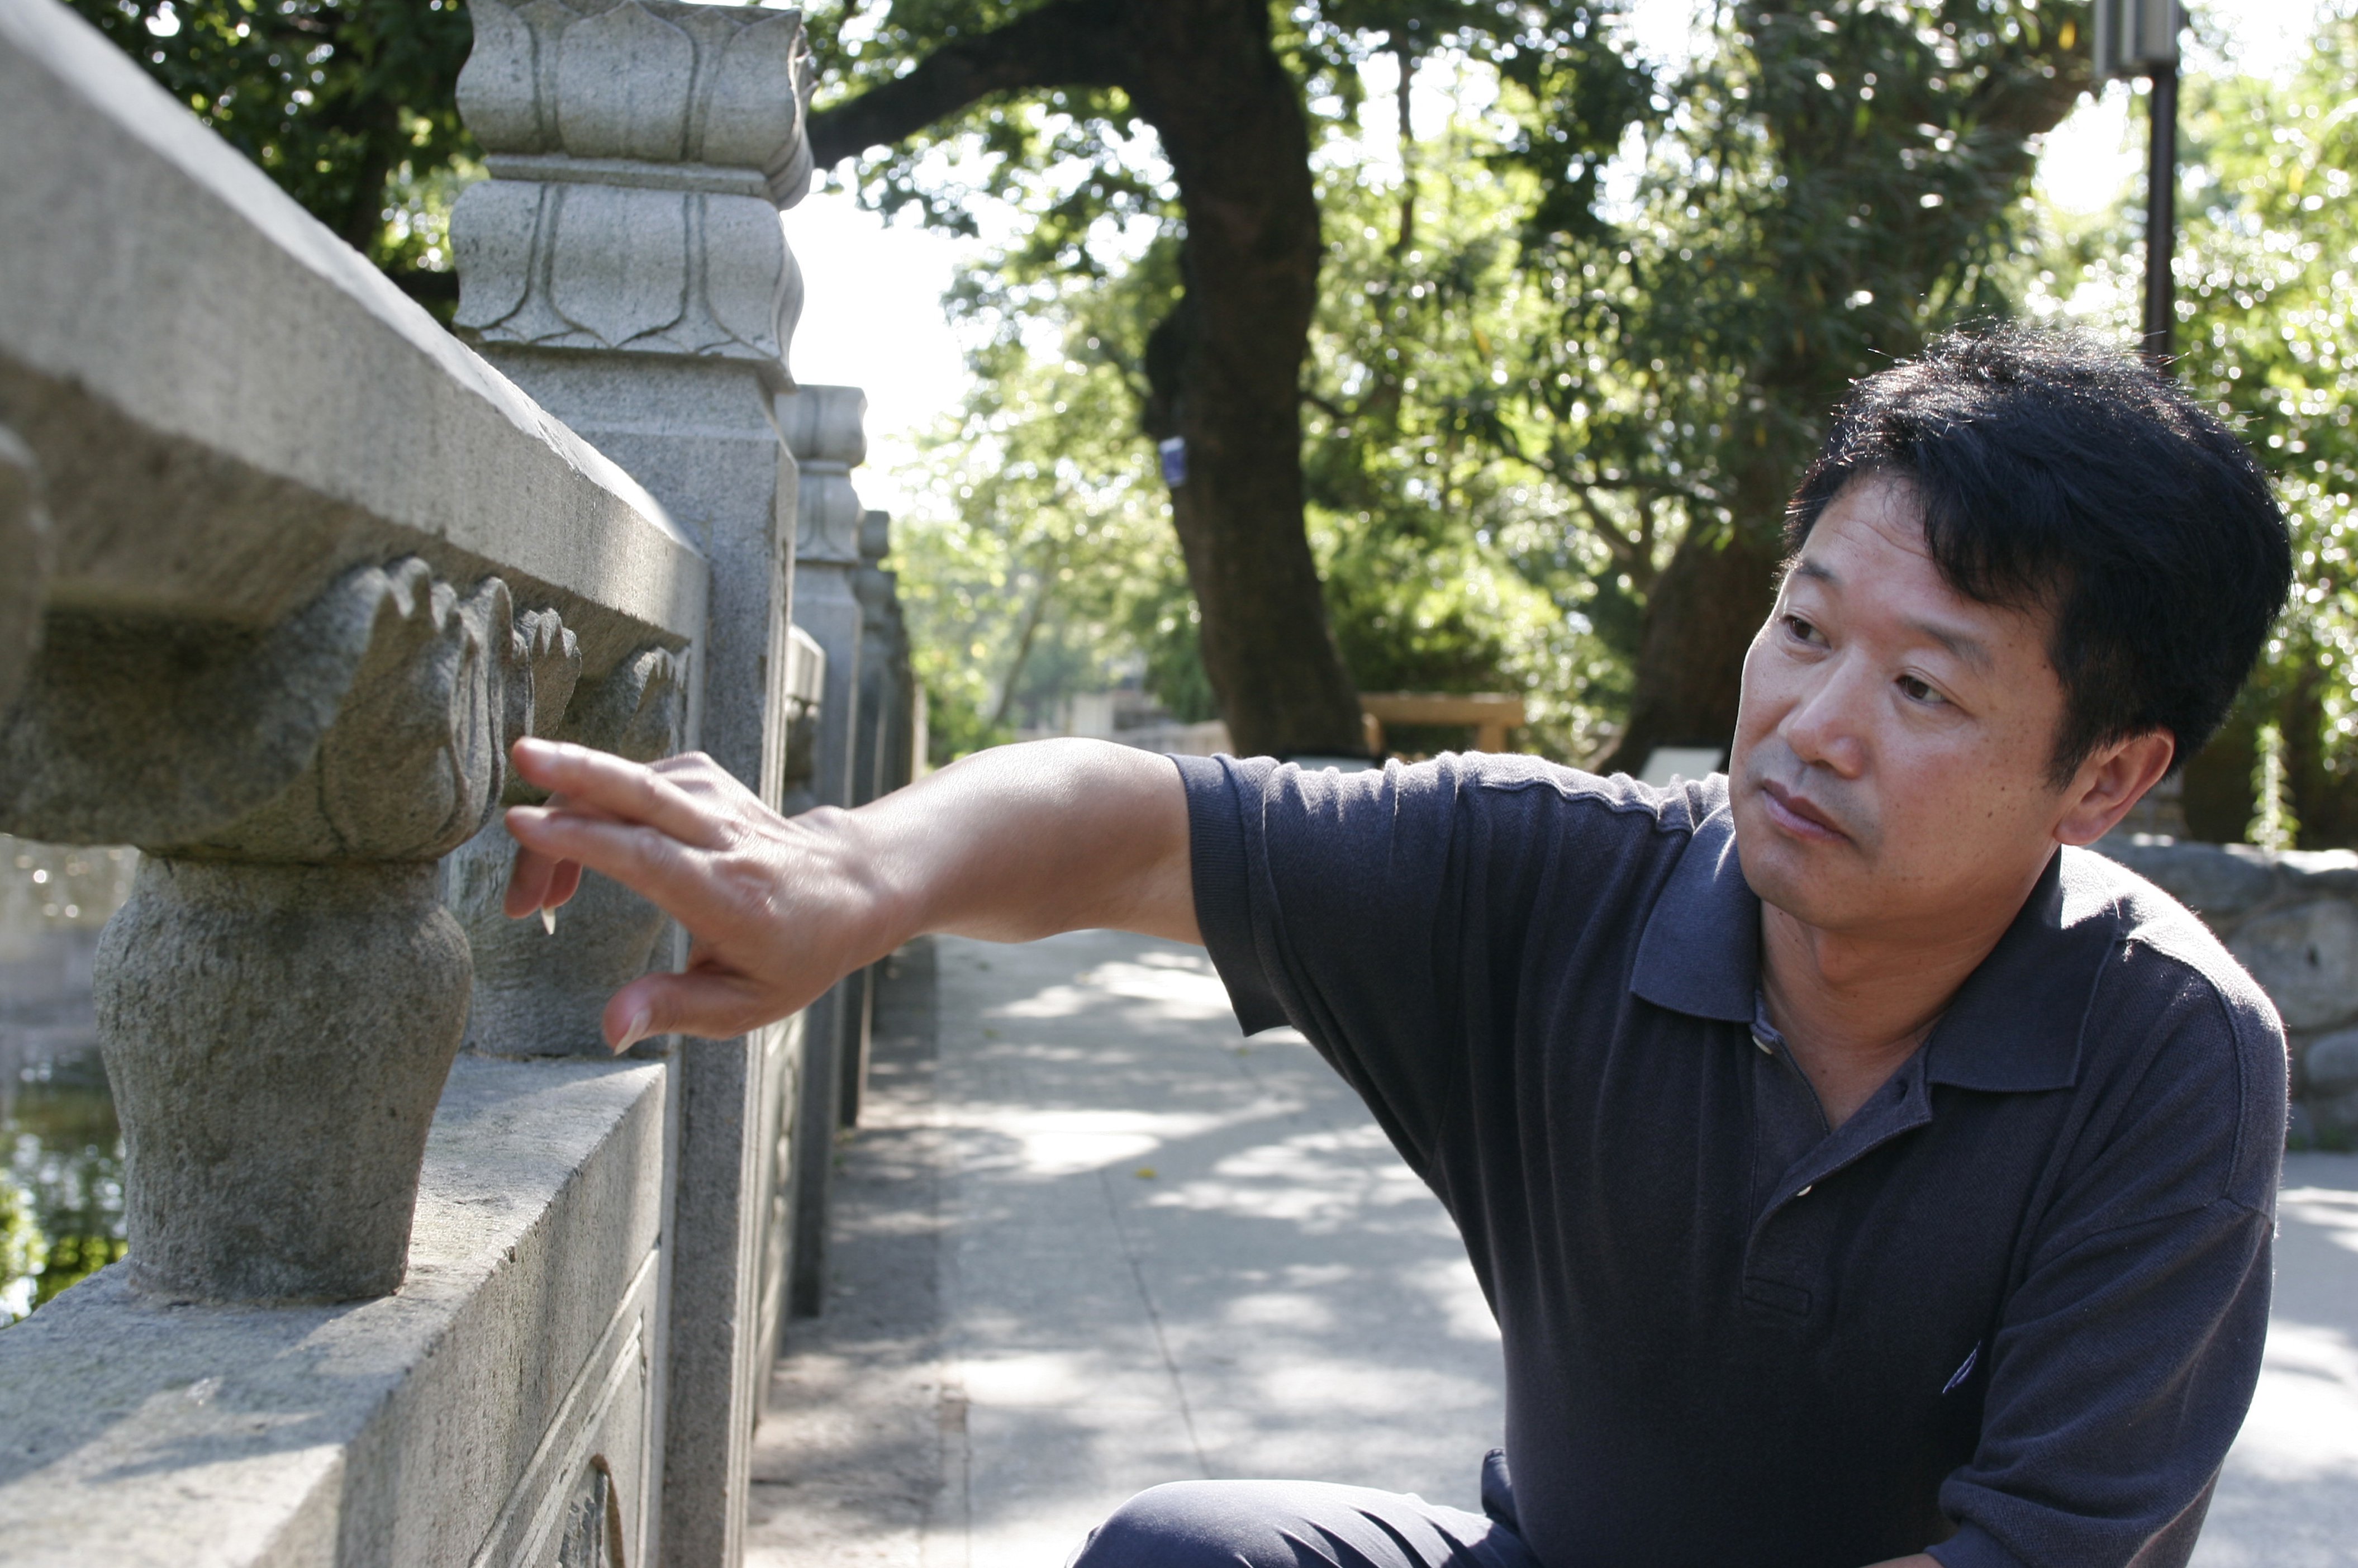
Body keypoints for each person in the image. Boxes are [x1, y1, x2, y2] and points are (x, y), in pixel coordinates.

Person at [500, 327, 2294, 1568]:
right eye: (1803, 630)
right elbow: (1139, 823)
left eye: (1920, 689)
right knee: (1181, 1556)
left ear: (2106, 778)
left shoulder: (2168, 1055)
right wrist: (853, 877)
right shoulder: (1558, 885)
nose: (1812, 727)